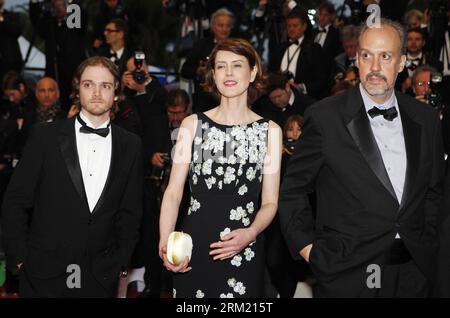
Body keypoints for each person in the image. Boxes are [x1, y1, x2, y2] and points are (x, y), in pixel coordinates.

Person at [279, 18, 445, 298]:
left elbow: (434, 191)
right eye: (367, 55)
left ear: (402, 62)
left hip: (414, 273)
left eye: (386, 56)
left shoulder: (426, 119)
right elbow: (293, 190)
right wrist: (310, 251)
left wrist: (427, 242)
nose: (376, 67)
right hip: (348, 273)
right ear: (356, 59)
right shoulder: (325, 117)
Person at [1, 56, 143, 298]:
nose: (97, 92)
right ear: (77, 89)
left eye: (105, 86)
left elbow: (131, 211)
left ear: (116, 92)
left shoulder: (131, 144)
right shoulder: (45, 137)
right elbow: (15, 201)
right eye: (89, 84)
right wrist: (21, 262)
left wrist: (120, 262)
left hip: (100, 278)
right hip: (42, 274)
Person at [159, 38, 282, 298]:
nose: (228, 73)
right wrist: (165, 240)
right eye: (221, 66)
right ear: (212, 75)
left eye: (237, 66)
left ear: (253, 72)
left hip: (244, 245)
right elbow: (173, 192)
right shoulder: (191, 125)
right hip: (194, 245)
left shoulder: (270, 131)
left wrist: (251, 233)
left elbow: (270, 202)